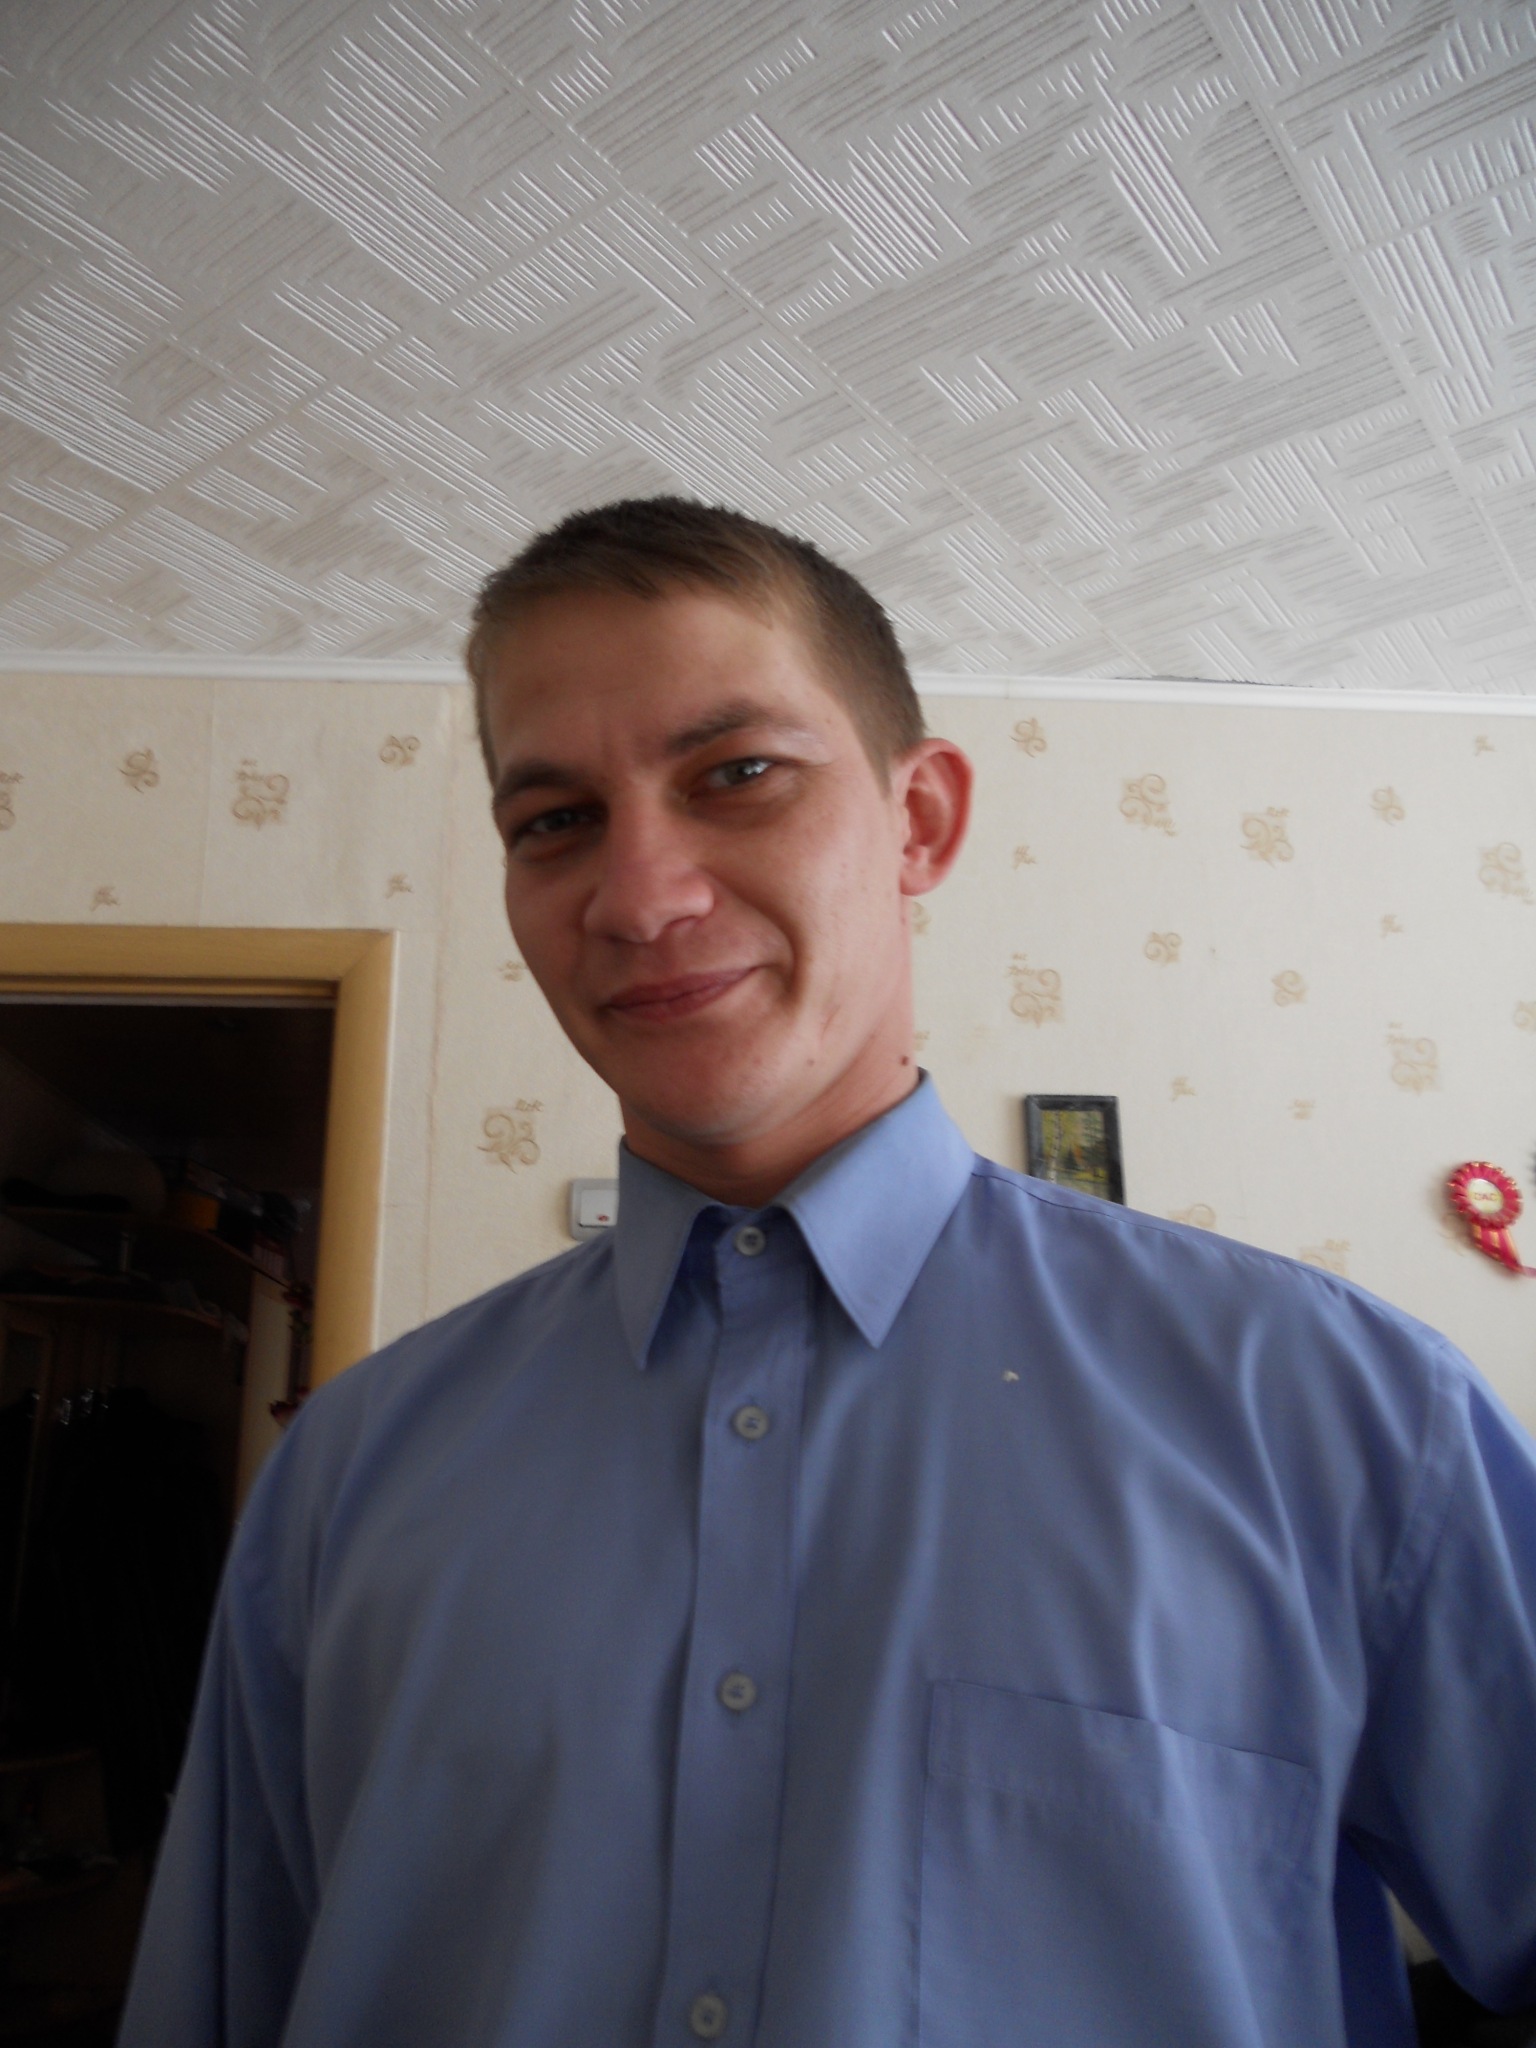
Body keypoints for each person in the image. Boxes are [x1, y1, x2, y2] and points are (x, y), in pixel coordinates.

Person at [120, 497, 1536, 2048]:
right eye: (557, 821)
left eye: (738, 775)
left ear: (920, 820)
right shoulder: (347, 1477)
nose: (638, 898)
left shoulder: (1342, 1414)